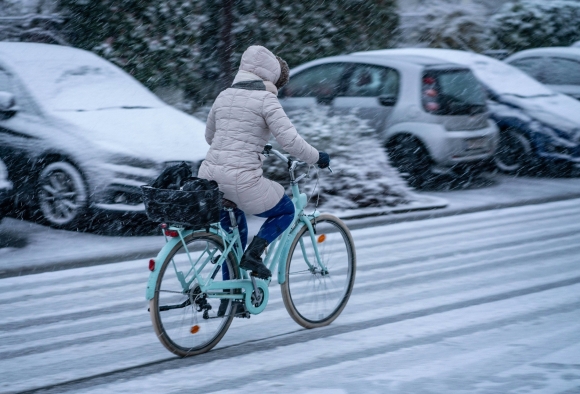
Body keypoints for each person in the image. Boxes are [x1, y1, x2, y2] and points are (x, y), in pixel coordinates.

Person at [198, 45, 330, 280]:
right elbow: (291, 143)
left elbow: (210, 137)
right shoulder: (266, 100)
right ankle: (254, 254)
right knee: (286, 210)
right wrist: (317, 157)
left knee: (233, 238)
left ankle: (232, 301)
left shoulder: (224, 95)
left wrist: (248, 141)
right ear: (271, 75)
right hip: (241, 181)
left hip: (209, 179)